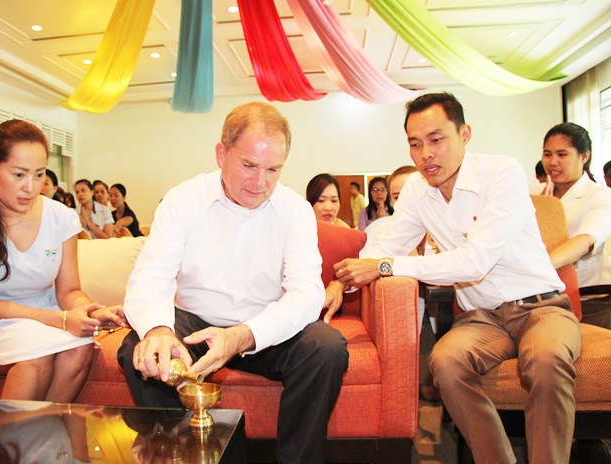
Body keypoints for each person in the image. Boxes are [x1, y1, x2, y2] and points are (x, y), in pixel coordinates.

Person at [334, 92, 581, 464]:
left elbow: (475, 262)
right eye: (415, 144)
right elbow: (388, 241)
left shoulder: (501, 173)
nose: (425, 154)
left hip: (541, 307)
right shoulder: (418, 189)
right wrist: (345, 280)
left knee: (546, 360)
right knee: (445, 362)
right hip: (484, 319)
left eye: (436, 140)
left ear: (464, 133)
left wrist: (385, 266)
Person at [117, 102, 348, 464]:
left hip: (265, 327)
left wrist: (243, 335)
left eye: (273, 169)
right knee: (141, 346)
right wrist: (159, 329)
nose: (261, 183)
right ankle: (180, 454)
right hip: (195, 324)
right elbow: (152, 274)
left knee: (326, 346)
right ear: (221, 154)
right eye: (249, 166)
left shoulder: (294, 210)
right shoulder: (183, 200)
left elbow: (306, 293)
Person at [0, 120, 126, 402]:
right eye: (18, 174)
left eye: (39, 174)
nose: (30, 188)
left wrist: (86, 312)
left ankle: (42, 435)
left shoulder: (60, 217)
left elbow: (68, 291)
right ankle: (18, 437)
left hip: (43, 311)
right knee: (37, 357)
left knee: (80, 347)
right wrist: (62, 320)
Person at [541, 122, 611, 329]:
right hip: (544, 299)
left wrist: (540, 266)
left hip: (590, 300)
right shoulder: (537, 193)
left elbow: (585, 240)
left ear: (584, 156)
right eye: (547, 154)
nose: (553, 162)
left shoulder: (601, 196)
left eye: (562, 155)